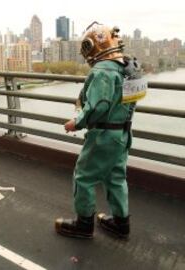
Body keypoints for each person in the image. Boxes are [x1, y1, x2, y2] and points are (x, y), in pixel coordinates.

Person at [55, 22, 146, 239]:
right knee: (115, 177)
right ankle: (121, 223)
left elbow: (99, 105)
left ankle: (83, 224)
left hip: (103, 136)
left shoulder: (103, 70)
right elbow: (130, 99)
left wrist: (76, 123)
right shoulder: (126, 66)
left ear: (92, 45)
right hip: (122, 133)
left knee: (83, 177)